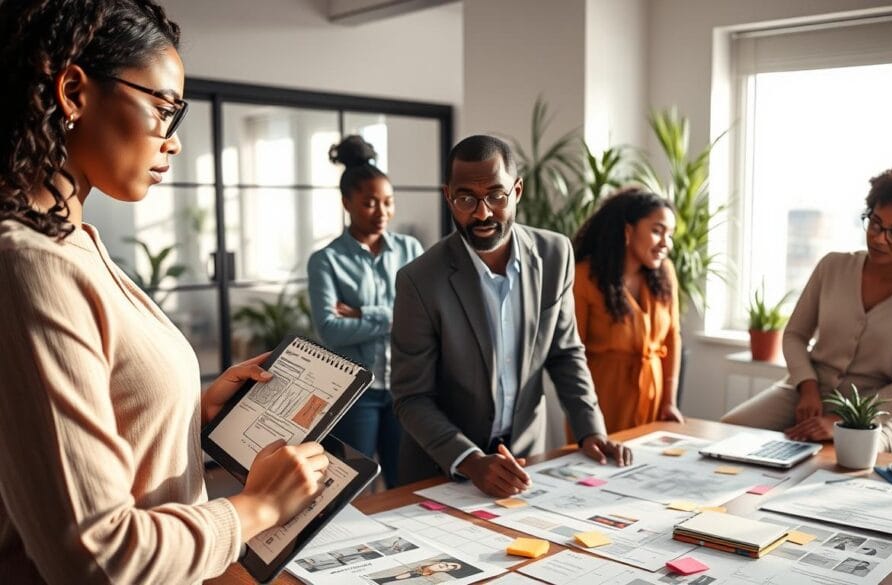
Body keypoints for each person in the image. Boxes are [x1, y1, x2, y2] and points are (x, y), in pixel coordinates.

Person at [0, 2, 328, 583]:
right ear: (74, 92)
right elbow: (95, 556)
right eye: (163, 110)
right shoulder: (30, 264)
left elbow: (91, 436)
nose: (172, 142)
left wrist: (195, 414)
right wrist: (259, 507)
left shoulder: (78, 242)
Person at [390, 134, 632, 496]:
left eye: (496, 196)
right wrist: (470, 461)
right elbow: (411, 397)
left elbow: (564, 354)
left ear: (517, 191)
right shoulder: (420, 280)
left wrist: (590, 430)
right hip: (441, 469)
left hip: (525, 461)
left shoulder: (555, 254)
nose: (482, 212)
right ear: (448, 197)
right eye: (465, 199)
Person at [721, 168, 892, 455]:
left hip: (875, 411)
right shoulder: (832, 266)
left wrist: (843, 419)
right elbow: (794, 335)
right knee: (729, 432)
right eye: (875, 224)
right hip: (806, 392)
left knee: (842, 456)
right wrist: (807, 387)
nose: (879, 238)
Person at [307, 135, 423, 489]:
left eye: (388, 202)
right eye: (370, 203)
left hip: (405, 387)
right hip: (355, 392)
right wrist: (392, 316)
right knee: (349, 486)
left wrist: (361, 312)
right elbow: (329, 329)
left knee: (406, 481)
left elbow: (422, 318)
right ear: (347, 202)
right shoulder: (326, 261)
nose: (382, 212)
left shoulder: (410, 249)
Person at [572, 189, 685, 435]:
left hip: (654, 401)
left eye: (670, 234)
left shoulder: (665, 274)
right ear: (628, 230)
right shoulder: (583, 277)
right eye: (657, 231)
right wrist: (586, 419)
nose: (666, 243)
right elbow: (573, 353)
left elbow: (672, 338)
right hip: (602, 401)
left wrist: (669, 401)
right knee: (598, 473)